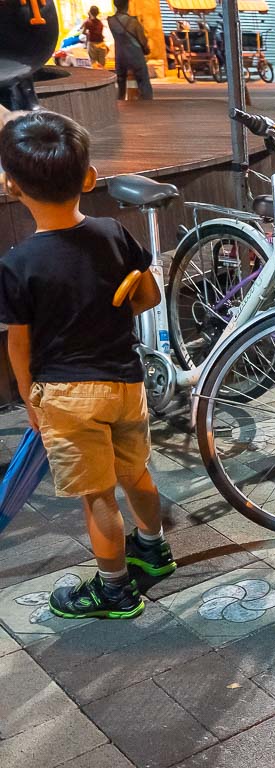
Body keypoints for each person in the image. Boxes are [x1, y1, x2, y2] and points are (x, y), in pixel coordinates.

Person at [0, 111, 174, 619]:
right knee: (136, 472)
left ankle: (115, 589)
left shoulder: (16, 265)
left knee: (98, 496)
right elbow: (147, 294)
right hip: (124, 383)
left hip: (67, 396)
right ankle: (154, 547)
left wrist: (31, 397)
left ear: (12, 185)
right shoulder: (112, 233)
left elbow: (18, 344)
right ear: (90, 179)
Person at [108, 0, 153, 100]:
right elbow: (143, 41)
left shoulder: (111, 21)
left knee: (121, 83)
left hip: (120, 56)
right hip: (135, 56)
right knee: (143, 81)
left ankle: (120, 101)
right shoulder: (133, 22)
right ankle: (148, 103)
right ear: (127, 5)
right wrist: (147, 50)